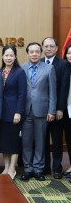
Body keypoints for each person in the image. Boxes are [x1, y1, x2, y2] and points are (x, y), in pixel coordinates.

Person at [20, 42, 56, 181]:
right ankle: (28, 169)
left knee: (40, 142)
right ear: (27, 53)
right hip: (25, 110)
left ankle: (39, 169)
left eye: (37, 52)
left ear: (40, 53)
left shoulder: (49, 68)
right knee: (26, 142)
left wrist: (52, 111)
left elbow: (53, 92)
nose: (34, 54)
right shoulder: (21, 68)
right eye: (31, 52)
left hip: (42, 110)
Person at [0, 45, 27, 179]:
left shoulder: (19, 72)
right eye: (6, 55)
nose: (8, 57)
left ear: (15, 57)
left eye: (11, 55)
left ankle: (12, 168)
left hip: (14, 112)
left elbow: (22, 94)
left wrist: (18, 112)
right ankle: (6, 167)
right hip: (1, 113)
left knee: (13, 141)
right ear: (2, 56)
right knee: (4, 141)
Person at [41, 37, 69, 179]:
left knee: (56, 141)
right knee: (42, 141)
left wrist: (59, 109)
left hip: (57, 110)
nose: (49, 48)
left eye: (51, 46)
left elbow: (64, 88)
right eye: (46, 46)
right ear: (42, 48)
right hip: (40, 110)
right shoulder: (38, 63)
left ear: (57, 48)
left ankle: (57, 168)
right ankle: (44, 167)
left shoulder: (63, 64)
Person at [63, 44, 71, 177]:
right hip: (68, 109)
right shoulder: (65, 68)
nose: (70, 56)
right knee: (70, 139)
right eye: (69, 53)